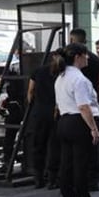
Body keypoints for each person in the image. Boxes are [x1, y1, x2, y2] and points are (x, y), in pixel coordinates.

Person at [54, 43, 99, 197]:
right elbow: (84, 107)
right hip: (79, 122)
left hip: (64, 121)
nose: (88, 57)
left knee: (66, 165)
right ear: (77, 57)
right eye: (85, 54)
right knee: (81, 166)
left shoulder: (61, 77)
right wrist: (94, 129)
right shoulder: (79, 79)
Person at [68, 29, 99, 179]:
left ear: (73, 40)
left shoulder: (69, 64)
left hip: (76, 108)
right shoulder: (95, 60)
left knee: (83, 144)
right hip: (91, 105)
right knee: (96, 141)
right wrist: (96, 101)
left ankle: (88, 174)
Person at [25, 50, 62, 188]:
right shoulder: (61, 72)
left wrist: (33, 104)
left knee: (39, 145)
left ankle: (38, 178)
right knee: (54, 146)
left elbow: (30, 91)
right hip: (55, 111)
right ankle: (53, 178)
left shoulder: (38, 71)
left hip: (39, 112)